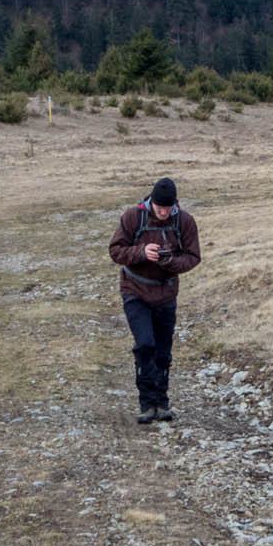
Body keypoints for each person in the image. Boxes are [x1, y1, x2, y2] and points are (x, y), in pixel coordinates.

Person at [109, 177, 201, 424]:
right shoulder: (132, 217)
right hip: (135, 291)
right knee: (145, 344)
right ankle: (146, 403)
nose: (163, 212)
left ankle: (162, 402)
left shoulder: (184, 221)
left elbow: (193, 256)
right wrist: (141, 252)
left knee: (163, 351)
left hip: (166, 294)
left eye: (168, 209)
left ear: (174, 205)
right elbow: (115, 251)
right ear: (151, 202)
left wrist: (171, 262)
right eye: (160, 208)